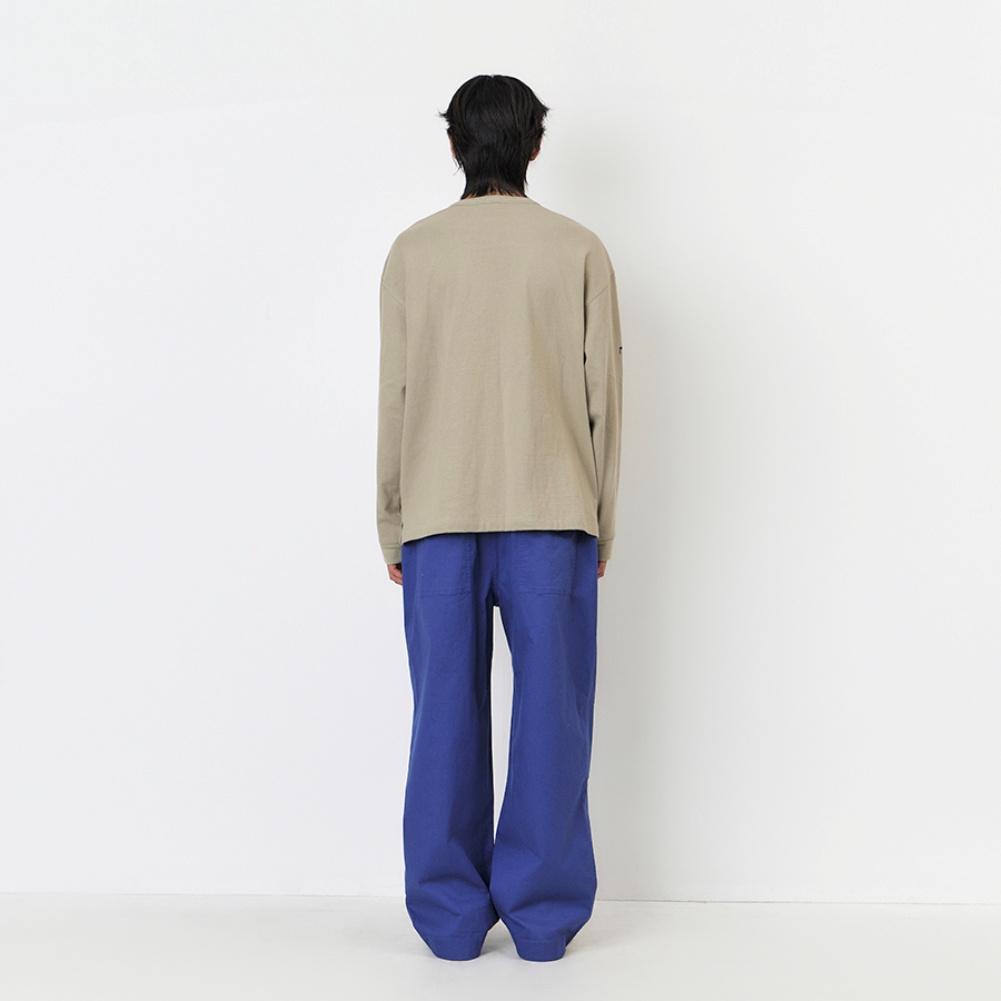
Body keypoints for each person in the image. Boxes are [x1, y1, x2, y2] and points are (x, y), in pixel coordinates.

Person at [376, 74, 623, 963]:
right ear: (534, 146)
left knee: (442, 717)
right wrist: (600, 518)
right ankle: (543, 921)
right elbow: (604, 396)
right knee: (553, 718)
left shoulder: (414, 251)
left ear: (454, 145)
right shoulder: (577, 249)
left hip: (439, 513)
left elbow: (397, 394)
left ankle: (447, 923)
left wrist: (393, 518)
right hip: (552, 512)